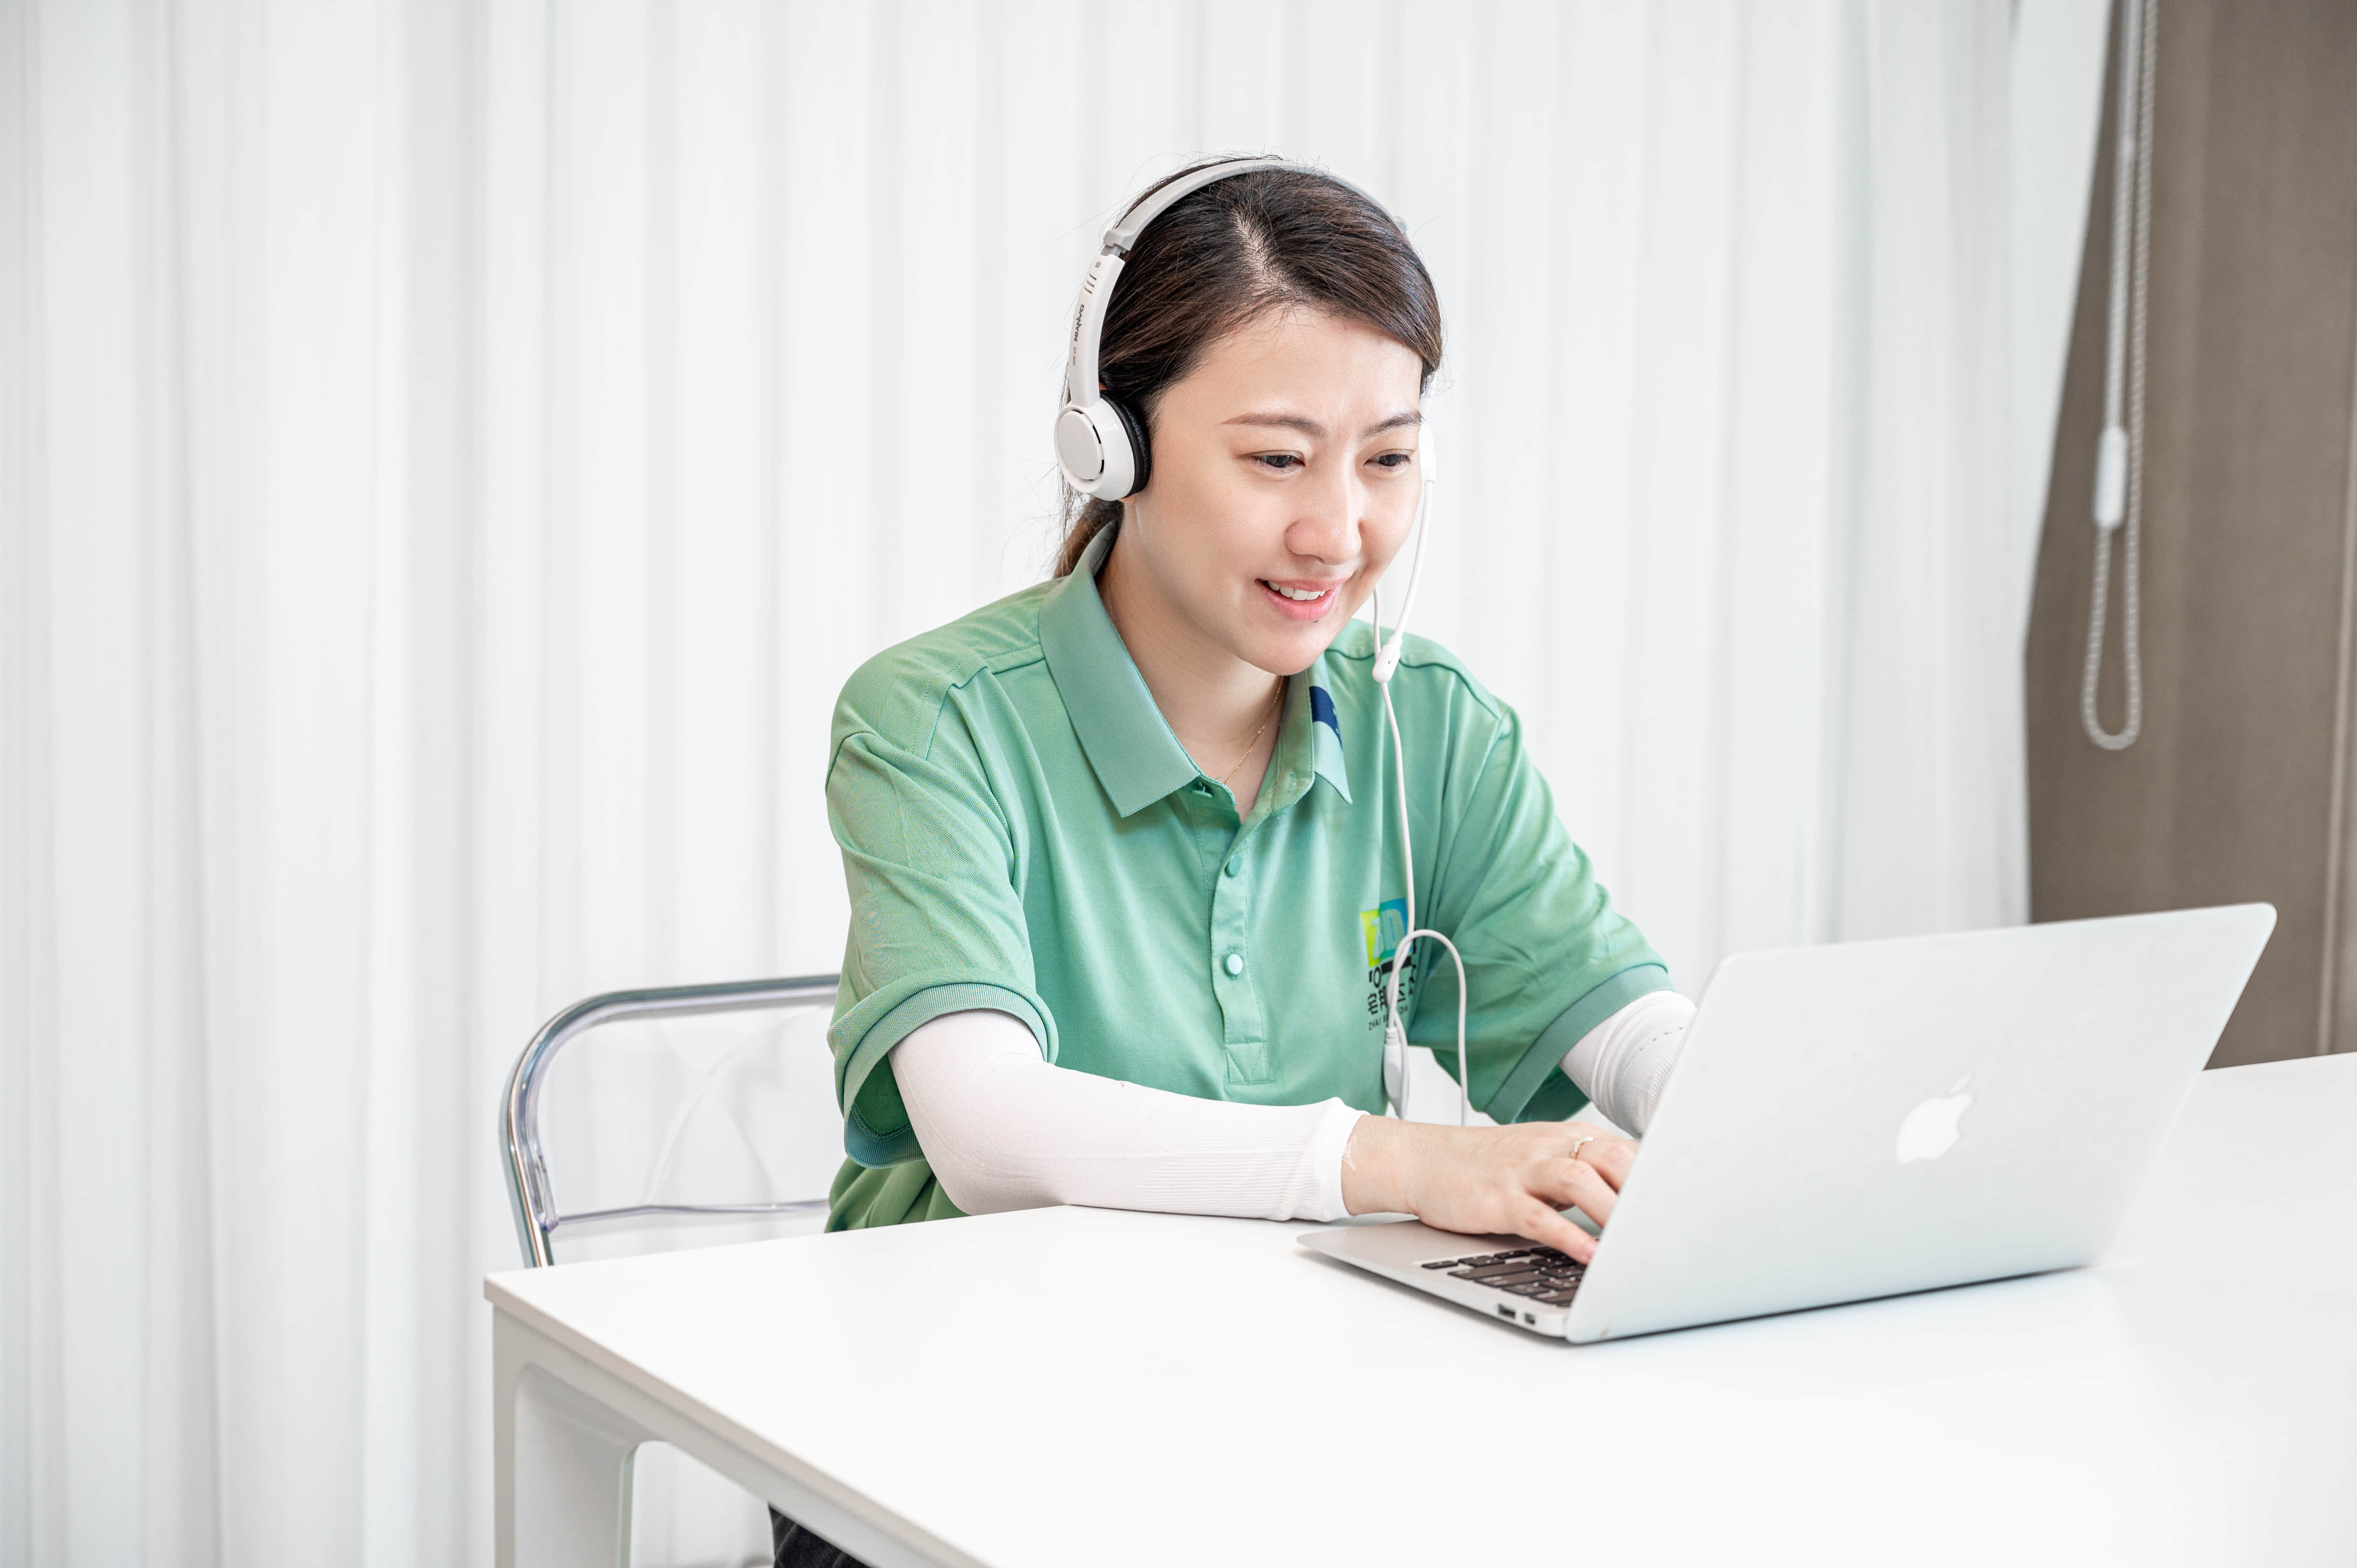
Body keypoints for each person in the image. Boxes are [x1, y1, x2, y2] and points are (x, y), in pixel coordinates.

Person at [770, 158, 1693, 1568]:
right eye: (1277, 460)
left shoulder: (1426, 722)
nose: (1339, 532)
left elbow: (1621, 1028)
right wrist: (1401, 1161)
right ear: (1113, 447)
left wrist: (1756, 1121)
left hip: (1288, 1415)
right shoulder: (933, 720)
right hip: (953, 1434)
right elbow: (988, 1126)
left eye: (1387, 460)